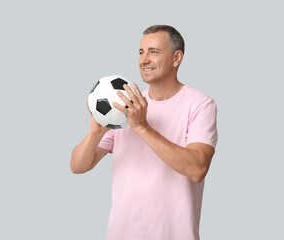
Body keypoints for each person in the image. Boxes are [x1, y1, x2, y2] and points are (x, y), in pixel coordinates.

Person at [70, 25, 218, 240]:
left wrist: (142, 127)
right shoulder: (123, 106)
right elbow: (78, 166)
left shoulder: (200, 104)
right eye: (141, 52)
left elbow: (197, 168)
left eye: (154, 52)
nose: (144, 60)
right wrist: (95, 132)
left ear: (177, 58)